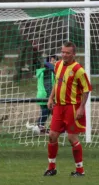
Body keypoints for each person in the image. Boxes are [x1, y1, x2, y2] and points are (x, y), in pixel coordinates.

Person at [44, 41, 92, 177]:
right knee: (52, 136)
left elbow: (86, 90)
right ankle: (51, 168)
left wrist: (81, 108)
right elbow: (56, 83)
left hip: (72, 107)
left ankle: (80, 170)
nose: (64, 55)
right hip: (59, 107)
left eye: (67, 53)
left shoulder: (78, 70)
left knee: (72, 138)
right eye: (63, 52)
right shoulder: (58, 65)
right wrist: (50, 98)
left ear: (74, 54)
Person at [35, 55, 56, 134]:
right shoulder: (47, 71)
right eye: (52, 61)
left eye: (55, 61)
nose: (54, 62)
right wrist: (50, 97)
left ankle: (42, 127)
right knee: (47, 111)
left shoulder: (46, 71)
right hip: (45, 95)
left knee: (50, 112)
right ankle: (39, 126)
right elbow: (48, 85)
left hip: (44, 95)